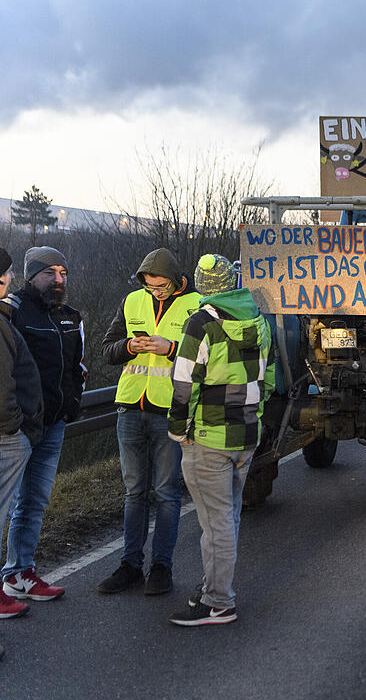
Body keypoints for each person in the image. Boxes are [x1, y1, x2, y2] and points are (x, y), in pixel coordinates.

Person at [167, 254, 274, 626]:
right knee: (227, 518)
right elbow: (269, 376)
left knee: (215, 524)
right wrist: (255, 416)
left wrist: (178, 429)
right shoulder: (258, 318)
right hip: (246, 434)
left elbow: (184, 383)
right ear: (231, 282)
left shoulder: (200, 323)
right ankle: (215, 586)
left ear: (201, 285)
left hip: (209, 436)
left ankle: (218, 602)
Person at [97, 249, 199, 596]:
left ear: (175, 277)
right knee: (134, 493)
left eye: (160, 286)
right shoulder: (131, 301)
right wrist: (129, 345)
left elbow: (208, 357)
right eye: (150, 286)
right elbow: (107, 349)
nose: (155, 292)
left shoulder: (198, 304)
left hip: (170, 411)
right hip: (130, 407)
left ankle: (161, 568)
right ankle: (130, 566)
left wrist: (171, 348)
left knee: (167, 494)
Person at [1, 247, 84, 603]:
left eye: (63, 272)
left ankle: (20, 572)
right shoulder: (13, 312)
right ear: (31, 274)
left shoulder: (69, 315)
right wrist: (16, 423)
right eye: (50, 272)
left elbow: (77, 365)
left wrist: (74, 401)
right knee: (6, 505)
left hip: (54, 425)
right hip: (18, 429)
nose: (59, 280)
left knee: (34, 501)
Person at [0, 249, 44, 638]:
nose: (10, 280)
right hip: (6, 436)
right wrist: (16, 429)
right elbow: (2, 388)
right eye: (7, 274)